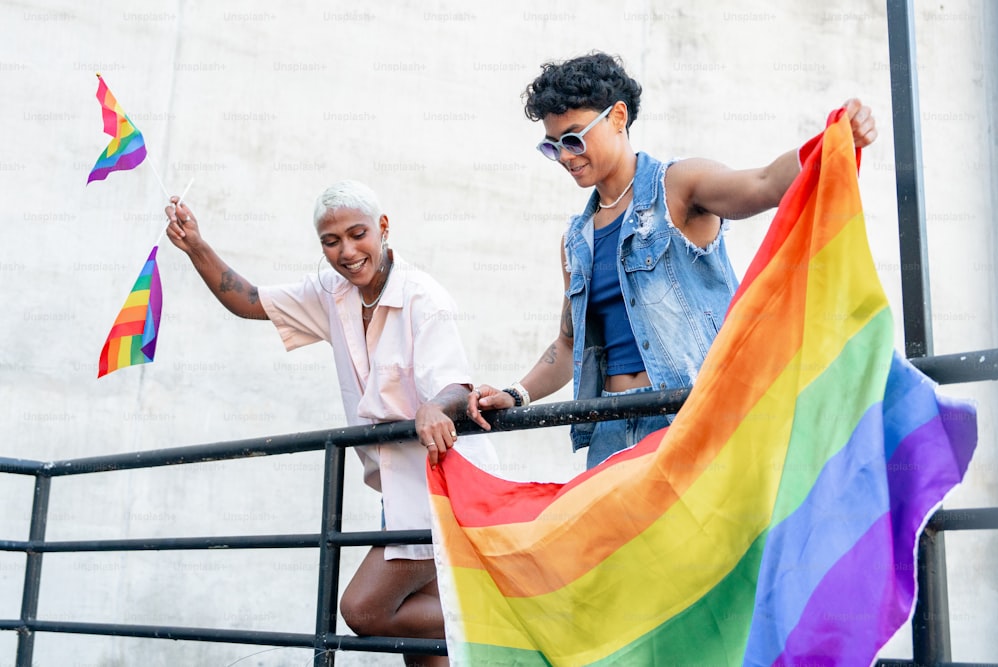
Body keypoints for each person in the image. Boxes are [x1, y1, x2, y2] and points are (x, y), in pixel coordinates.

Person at [466, 51, 877, 469]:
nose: (566, 156)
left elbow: (763, 183)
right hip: (610, 429)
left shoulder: (677, 187)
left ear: (617, 116)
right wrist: (516, 394)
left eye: (573, 138)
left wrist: (834, 141)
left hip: (689, 417)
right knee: (617, 539)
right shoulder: (577, 238)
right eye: (552, 147)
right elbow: (570, 344)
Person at [164, 179, 496, 667]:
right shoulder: (331, 292)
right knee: (420, 649)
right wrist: (195, 245)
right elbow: (249, 300)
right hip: (396, 493)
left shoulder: (423, 297)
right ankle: (497, 622)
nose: (347, 251)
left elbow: (456, 386)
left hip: (443, 487)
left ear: (383, 228)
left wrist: (433, 407)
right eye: (331, 241)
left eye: (358, 234)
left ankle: (500, 619)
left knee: (366, 609)